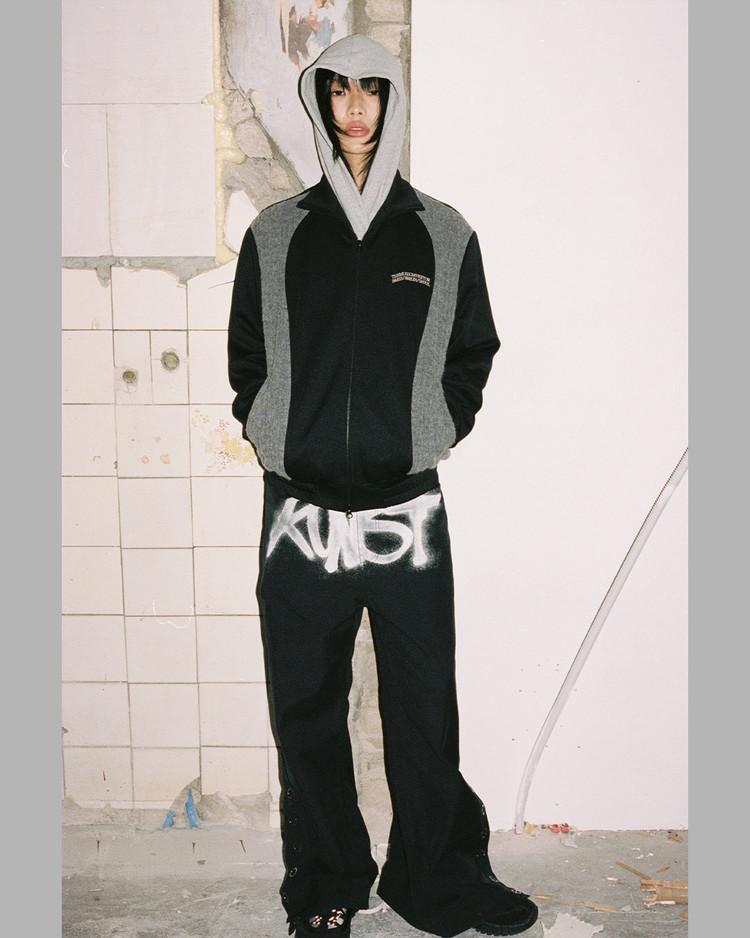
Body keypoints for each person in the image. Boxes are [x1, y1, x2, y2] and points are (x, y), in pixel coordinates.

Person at [227, 33, 538, 938]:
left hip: (407, 509)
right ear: (320, 101)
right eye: (339, 89)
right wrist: (275, 431)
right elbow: (247, 357)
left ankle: (435, 879)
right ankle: (327, 881)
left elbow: (472, 352)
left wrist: (429, 432)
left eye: (372, 88)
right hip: (301, 511)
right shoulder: (277, 233)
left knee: (422, 704)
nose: (356, 105)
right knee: (306, 707)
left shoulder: (442, 232)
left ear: (393, 102)